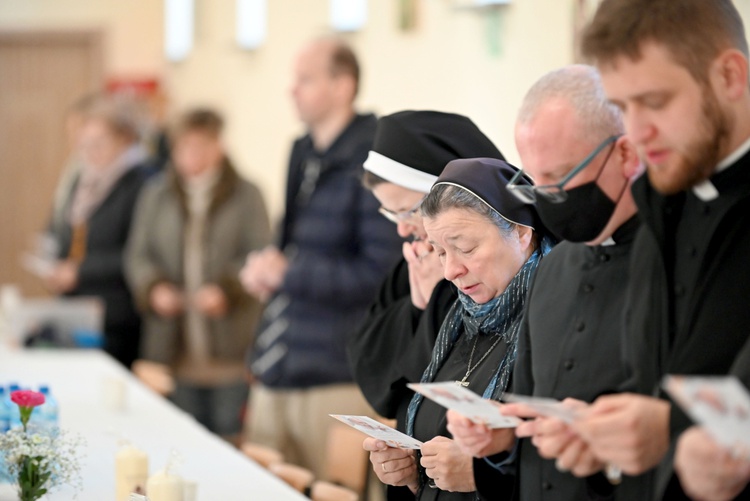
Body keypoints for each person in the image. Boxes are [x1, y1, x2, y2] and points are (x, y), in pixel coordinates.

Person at [524, 1, 750, 500]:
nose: (636, 132)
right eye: (624, 108)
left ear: (731, 76)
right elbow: (657, 380)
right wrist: (610, 435)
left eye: (656, 101)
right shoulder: (662, 209)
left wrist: (671, 427)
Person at [446, 65, 642, 501]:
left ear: (626, 155)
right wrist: (500, 441)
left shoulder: (669, 263)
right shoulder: (552, 270)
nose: (547, 197)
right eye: (536, 182)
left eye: (562, 177)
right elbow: (531, 419)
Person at [240, 38, 402, 476]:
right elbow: (291, 245)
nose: (292, 90)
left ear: (343, 85)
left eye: (306, 79)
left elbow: (380, 274)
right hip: (281, 359)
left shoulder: (375, 158)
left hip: (336, 370)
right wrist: (267, 270)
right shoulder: (303, 152)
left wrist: (290, 274)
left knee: (330, 488)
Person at [364, 158, 554, 500]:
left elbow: (571, 467)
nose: (451, 270)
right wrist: (411, 471)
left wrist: (484, 475)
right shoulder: (455, 318)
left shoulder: (556, 319)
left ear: (522, 232)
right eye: (439, 252)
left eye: (465, 248)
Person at [348, 110, 505, 434]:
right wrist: (418, 309)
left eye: (409, 211)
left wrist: (440, 301)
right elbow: (377, 379)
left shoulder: (507, 266)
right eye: (392, 215)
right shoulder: (410, 267)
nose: (403, 230)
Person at [125, 109, 271, 442]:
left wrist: (227, 289)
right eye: (184, 145)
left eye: (202, 144)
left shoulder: (247, 194)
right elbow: (138, 255)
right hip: (173, 351)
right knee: (179, 445)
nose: (193, 154)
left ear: (219, 145)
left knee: (229, 445)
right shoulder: (156, 194)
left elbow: (260, 252)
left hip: (231, 355)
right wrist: (154, 287)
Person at [44, 95, 150, 368]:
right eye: (85, 144)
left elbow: (138, 253)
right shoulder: (82, 178)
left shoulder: (141, 183)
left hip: (118, 314)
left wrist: (79, 271)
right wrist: (55, 265)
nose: (90, 151)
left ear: (124, 139)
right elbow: (62, 230)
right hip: (77, 306)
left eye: (99, 143)